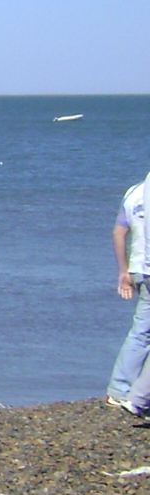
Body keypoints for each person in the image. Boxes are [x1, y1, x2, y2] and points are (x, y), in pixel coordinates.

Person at [110, 168, 150, 411]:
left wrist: (123, 272)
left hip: (138, 269)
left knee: (141, 332)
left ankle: (120, 389)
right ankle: (139, 397)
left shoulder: (134, 192)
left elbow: (118, 232)